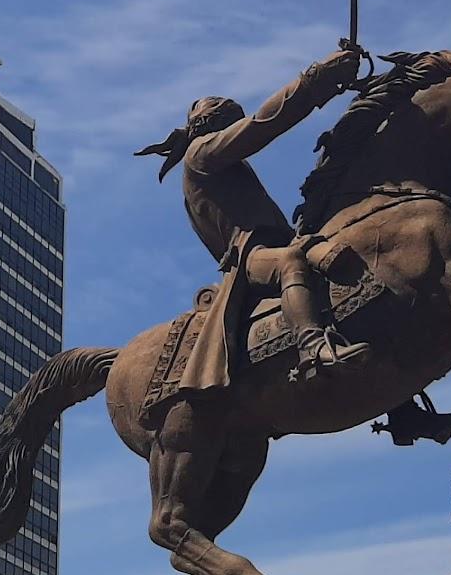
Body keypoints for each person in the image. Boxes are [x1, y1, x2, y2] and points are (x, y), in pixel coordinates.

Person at [136, 46, 372, 386]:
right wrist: (317, 80)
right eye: (230, 126)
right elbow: (263, 125)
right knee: (291, 261)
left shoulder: (223, 166)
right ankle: (313, 348)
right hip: (252, 258)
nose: (235, 134)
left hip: (279, 241)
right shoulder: (200, 154)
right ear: (212, 125)